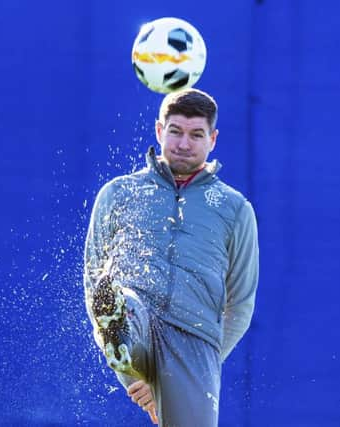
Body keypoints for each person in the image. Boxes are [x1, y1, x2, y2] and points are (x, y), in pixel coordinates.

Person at [83, 88, 259, 426]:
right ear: (159, 130)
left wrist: (205, 361)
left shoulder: (235, 208)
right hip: (138, 318)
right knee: (117, 298)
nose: (183, 143)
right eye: (175, 131)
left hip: (195, 340)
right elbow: (94, 285)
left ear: (213, 139)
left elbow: (240, 304)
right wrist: (134, 379)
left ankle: (139, 350)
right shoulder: (119, 194)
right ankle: (125, 345)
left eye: (196, 135)